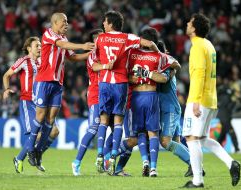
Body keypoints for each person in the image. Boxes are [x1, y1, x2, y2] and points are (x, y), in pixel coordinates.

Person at [94, 11, 159, 176]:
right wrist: (156, 52)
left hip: (105, 82)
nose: (103, 24)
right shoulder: (127, 37)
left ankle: (100, 154)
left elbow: (96, 63)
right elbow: (148, 43)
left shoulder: (100, 38)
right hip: (121, 83)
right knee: (117, 122)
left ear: (110, 23)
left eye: (105, 22)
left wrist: (104, 66)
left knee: (103, 120)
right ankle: (114, 155)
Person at [182, 13, 241, 188]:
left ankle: (198, 181)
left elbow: (200, 74)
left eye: (190, 23)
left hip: (199, 98)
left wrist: (196, 101)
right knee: (201, 139)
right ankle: (231, 164)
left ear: (194, 28)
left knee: (191, 138)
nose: (187, 23)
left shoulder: (198, 46)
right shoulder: (209, 45)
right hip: (211, 98)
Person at [28, 12, 94, 168]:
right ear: (55, 23)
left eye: (67, 21)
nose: (67, 24)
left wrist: (92, 53)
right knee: (41, 115)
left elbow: (73, 57)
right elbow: (62, 45)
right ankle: (31, 149)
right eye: (64, 22)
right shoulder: (48, 35)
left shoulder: (64, 39)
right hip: (44, 81)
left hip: (57, 84)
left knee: (51, 118)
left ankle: (38, 150)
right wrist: (82, 45)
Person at [128, 27, 168, 177]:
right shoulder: (159, 56)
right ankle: (153, 168)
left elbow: (127, 77)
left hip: (137, 96)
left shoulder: (132, 54)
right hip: (151, 95)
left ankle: (144, 161)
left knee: (140, 132)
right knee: (153, 133)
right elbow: (163, 78)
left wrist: (139, 77)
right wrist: (149, 75)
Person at [156, 41, 199, 177]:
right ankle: (195, 166)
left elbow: (163, 79)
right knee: (176, 142)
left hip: (170, 109)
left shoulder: (168, 68)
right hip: (169, 109)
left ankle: (195, 164)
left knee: (165, 141)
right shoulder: (166, 66)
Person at [2, 37, 44, 173]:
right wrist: (7, 89)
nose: (39, 48)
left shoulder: (40, 62)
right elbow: (6, 75)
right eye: (36, 45)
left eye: (40, 45)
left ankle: (20, 158)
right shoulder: (23, 61)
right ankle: (28, 156)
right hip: (27, 101)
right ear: (29, 48)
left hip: (39, 103)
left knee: (41, 134)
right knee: (36, 134)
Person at [72, 28, 109, 176]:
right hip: (95, 94)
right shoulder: (93, 54)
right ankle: (76, 162)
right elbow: (95, 67)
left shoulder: (108, 52)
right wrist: (107, 65)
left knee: (110, 126)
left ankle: (103, 159)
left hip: (108, 93)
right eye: (99, 38)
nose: (102, 41)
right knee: (93, 128)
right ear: (95, 41)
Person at [217, 78, 240, 152]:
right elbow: (229, 107)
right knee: (231, 132)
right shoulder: (228, 98)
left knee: (223, 133)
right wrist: (235, 101)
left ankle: (217, 147)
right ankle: (237, 148)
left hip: (223, 116)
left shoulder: (221, 97)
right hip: (225, 117)